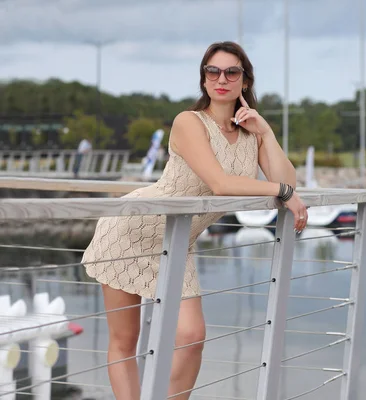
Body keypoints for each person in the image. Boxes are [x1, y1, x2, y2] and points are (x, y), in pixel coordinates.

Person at [80, 41, 308, 400]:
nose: (221, 79)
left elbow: (289, 180)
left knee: (191, 337)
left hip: (177, 239)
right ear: (203, 79)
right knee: (125, 340)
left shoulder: (251, 133)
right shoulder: (189, 122)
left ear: (245, 81)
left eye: (231, 72)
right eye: (212, 71)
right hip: (129, 229)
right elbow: (220, 184)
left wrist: (266, 133)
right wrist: (280, 190)